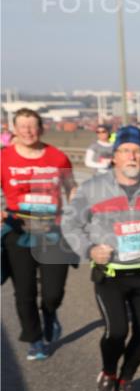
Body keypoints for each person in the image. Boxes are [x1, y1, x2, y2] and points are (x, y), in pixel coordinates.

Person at [61, 126, 140, 391]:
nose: (132, 156)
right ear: (114, 156)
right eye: (125, 151)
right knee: (116, 331)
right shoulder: (93, 189)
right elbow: (70, 224)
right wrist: (89, 250)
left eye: (137, 151)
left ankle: (126, 379)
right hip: (110, 275)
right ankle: (108, 375)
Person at [1, 108, 77, 360]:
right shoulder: (4, 158)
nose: (28, 131)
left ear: (41, 129)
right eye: (22, 126)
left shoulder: (57, 157)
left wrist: (78, 209)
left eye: (32, 126)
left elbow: (70, 187)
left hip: (52, 230)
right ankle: (35, 340)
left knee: (53, 292)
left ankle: (50, 312)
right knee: (25, 292)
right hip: (18, 231)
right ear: (14, 129)